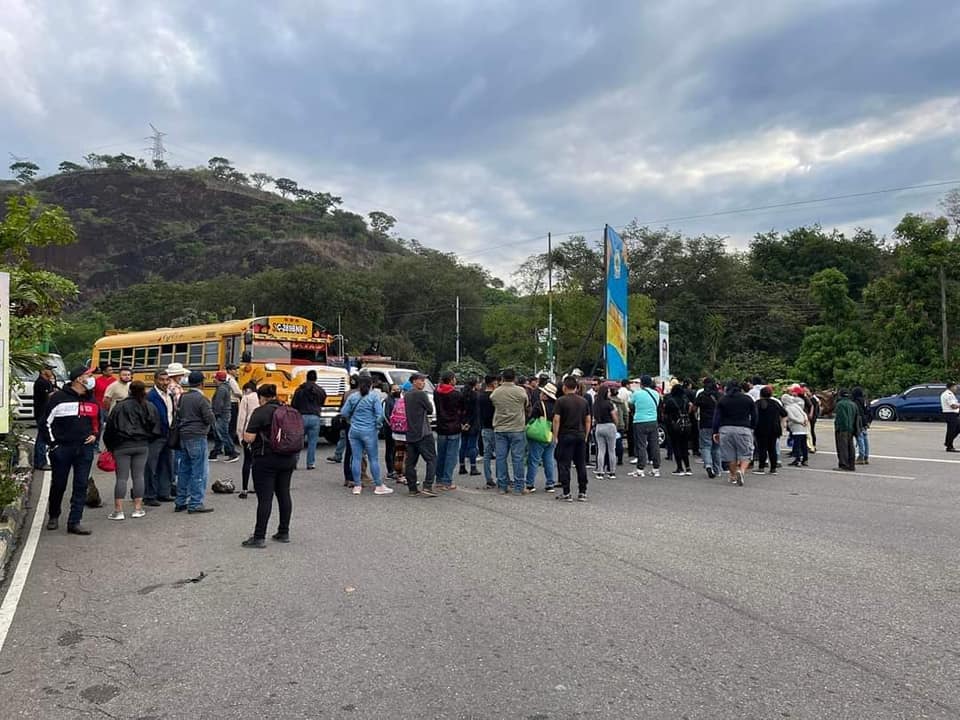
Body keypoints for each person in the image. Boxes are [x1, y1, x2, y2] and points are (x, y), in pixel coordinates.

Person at [43, 366, 100, 534]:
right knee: (59, 484)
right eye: (88, 375)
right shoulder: (58, 398)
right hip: (62, 448)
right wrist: (53, 445)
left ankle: (74, 521)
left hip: (84, 448)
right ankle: (54, 515)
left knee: (81, 484)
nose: (91, 378)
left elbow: (97, 420)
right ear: (78, 379)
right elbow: (45, 423)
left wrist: (95, 435)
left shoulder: (91, 399)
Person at [241, 384, 299, 547]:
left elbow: (249, 438)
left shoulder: (260, 412)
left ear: (262, 397)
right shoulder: (288, 410)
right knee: (284, 494)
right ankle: (283, 531)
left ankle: (259, 536)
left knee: (265, 498)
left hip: (266, 459)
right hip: (288, 458)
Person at [106, 380, 157, 520]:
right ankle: (138, 508)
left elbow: (110, 427)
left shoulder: (119, 407)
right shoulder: (148, 406)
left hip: (122, 445)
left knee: (121, 478)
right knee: (139, 476)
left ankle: (118, 510)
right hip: (142, 444)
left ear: (129, 391)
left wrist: (110, 446)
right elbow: (155, 426)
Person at [341, 375, 393, 496]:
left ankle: (357, 485)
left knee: (356, 458)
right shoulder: (374, 397)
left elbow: (344, 412)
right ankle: (379, 485)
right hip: (369, 431)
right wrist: (377, 426)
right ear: (371, 385)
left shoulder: (353, 397)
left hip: (354, 431)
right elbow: (380, 415)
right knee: (373, 458)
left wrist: (351, 420)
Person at [175, 370, 216, 513]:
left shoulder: (183, 397)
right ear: (202, 383)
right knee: (199, 471)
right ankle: (195, 503)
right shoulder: (202, 399)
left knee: (184, 469)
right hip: (197, 435)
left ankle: (180, 500)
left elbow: (179, 413)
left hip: (184, 435)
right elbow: (209, 418)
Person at [490, 368, 530, 495]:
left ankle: (502, 485)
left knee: (501, 458)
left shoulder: (496, 392)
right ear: (515, 378)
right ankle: (519, 487)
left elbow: (492, 401)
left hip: (500, 428)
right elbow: (526, 403)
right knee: (517, 458)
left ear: (502, 378)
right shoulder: (520, 391)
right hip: (517, 427)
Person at [553, 375, 591, 502]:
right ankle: (582, 492)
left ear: (564, 387)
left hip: (566, 435)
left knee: (564, 464)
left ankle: (567, 492)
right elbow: (588, 420)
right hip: (580, 435)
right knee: (581, 464)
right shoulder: (583, 401)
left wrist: (555, 436)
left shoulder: (560, 401)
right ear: (576, 387)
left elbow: (557, 420)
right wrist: (586, 435)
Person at [712, 380, 758, 487]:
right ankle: (741, 471)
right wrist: (752, 427)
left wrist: (715, 431)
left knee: (730, 455)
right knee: (746, 453)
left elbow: (717, 417)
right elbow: (755, 415)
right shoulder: (747, 399)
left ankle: (732, 475)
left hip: (726, 429)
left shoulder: (723, 399)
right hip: (743, 428)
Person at [144, 370, 175, 506]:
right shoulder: (151, 396)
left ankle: (164, 492)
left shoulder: (170, 394)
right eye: (162, 380)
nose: (165, 382)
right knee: (151, 466)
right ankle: (149, 495)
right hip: (155, 435)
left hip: (168, 433)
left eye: (167, 380)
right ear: (155, 380)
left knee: (167, 464)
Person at [434, 371, 464, 491]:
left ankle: (439, 480)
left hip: (441, 426)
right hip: (454, 427)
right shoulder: (456, 394)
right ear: (451, 380)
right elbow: (462, 409)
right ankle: (447, 481)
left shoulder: (437, 392)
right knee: (451, 456)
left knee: (441, 454)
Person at [526, 380, 557, 492]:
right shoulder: (557, 405)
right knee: (549, 459)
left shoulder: (539, 404)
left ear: (545, 395)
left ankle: (530, 484)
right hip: (552, 434)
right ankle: (550, 483)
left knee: (534, 459)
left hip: (539, 435)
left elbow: (532, 418)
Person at [291, 370, 326, 470]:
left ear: (306, 377)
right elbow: (323, 401)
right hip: (315, 417)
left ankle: (294, 462)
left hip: (301, 417)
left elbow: (294, 404)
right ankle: (310, 463)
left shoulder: (299, 390)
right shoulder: (320, 390)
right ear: (316, 378)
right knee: (313, 442)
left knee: (298, 441)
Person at [629, 375, 661, 478]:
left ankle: (640, 469)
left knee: (641, 445)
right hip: (653, 421)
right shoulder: (656, 393)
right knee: (654, 445)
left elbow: (630, 403)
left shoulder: (637, 394)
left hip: (639, 421)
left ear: (641, 383)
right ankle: (656, 469)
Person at [754, 386, 786, 475]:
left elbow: (752, 415)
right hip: (774, 428)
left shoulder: (757, 403)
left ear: (761, 394)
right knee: (772, 449)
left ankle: (761, 467)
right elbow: (784, 414)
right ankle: (773, 468)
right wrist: (782, 425)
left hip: (760, 428)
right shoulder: (775, 403)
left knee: (762, 448)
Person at [662, 383, 692, 475]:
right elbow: (689, 409)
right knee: (684, 446)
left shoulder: (671, 401)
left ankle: (680, 468)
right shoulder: (685, 400)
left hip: (675, 426)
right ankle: (688, 468)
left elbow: (665, 412)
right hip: (686, 425)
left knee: (676, 446)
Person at [236, 380, 259, 498]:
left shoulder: (246, 398)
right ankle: (257, 486)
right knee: (258, 461)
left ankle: (244, 489)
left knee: (247, 461)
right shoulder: (261, 397)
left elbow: (241, 418)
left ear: (246, 389)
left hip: (249, 432)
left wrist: (240, 436)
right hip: (261, 434)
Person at [210, 371, 239, 462]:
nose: (213, 380)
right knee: (219, 434)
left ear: (218, 379)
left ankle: (232, 453)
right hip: (225, 413)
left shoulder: (221, 389)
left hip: (221, 414)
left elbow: (218, 404)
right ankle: (215, 453)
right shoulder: (225, 387)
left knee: (223, 433)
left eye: (214, 378)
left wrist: (215, 414)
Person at [695, 378, 721, 478]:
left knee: (706, 446)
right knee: (717, 447)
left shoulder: (701, 395)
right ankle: (717, 470)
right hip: (717, 424)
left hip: (705, 423)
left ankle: (708, 466)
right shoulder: (719, 395)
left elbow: (694, 407)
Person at [33, 363, 57, 470]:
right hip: (42, 413)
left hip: (46, 412)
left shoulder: (47, 382)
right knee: (42, 438)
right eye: (49, 369)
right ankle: (40, 462)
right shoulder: (41, 383)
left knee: (42, 437)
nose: (51, 372)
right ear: (43, 371)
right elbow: (49, 396)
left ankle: (40, 461)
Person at [592, 385, 619, 479]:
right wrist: (616, 424)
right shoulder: (609, 403)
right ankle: (612, 472)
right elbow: (614, 416)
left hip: (599, 426)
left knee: (601, 450)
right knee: (611, 450)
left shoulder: (596, 404)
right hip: (609, 426)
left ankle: (600, 472)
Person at [833, 389, 861, 472]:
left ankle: (843, 464)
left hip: (842, 428)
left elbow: (841, 418)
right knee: (850, 447)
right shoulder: (853, 404)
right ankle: (851, 465)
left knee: (842, 447)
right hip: (851, 428)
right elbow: (857, 418)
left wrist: (838, 428)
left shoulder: (840, 404)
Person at [458, 378, 481, 477]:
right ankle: (473, 467)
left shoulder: (461, 395)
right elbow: (475, 411)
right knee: (472, 446)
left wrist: (463, 422)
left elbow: (460, 410)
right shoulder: (475, 396)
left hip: (462, 423)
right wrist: (469, 423)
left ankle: (462, 466)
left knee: (463, 445)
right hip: (473, 423)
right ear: (475, 385)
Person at [782, 386, 809, 467]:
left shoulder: (787, 408)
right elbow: (804, 413)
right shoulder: (796, 405)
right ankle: (805, 459)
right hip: (804, 428)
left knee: (797, 445)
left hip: (797, 428)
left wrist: (800, 422)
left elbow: (791, 417)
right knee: (803, 444)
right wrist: (805, 420)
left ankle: (797, 460)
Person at [852, 387, 871, 465]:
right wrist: (868, 422)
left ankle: (861, 457)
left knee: (860, 439)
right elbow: (869, 412)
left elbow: (859, 413)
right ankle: (866, 456)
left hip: (860, 422)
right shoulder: (865, 401)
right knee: (865, 439)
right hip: (866, 421)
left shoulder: (856, 402)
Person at [941, 381, 960, 452]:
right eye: (955, 386)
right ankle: (949, 446)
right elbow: (953, 406)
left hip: (953, 414)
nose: (956, 388)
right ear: (951, 387)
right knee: (951, 430)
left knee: (957, 428)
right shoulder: (947, 394)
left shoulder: (951, 394)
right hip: (950, 414)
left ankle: (948, 442)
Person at [225, 363, 242, 442]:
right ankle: (230, 444)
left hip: (228, 402)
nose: (236, 371)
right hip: (233, 403)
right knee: (232, 425)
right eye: (234, 369)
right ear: (229, 370)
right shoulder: (231, 379)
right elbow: (237, 392)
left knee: (229, 424)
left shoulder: (226, 379)